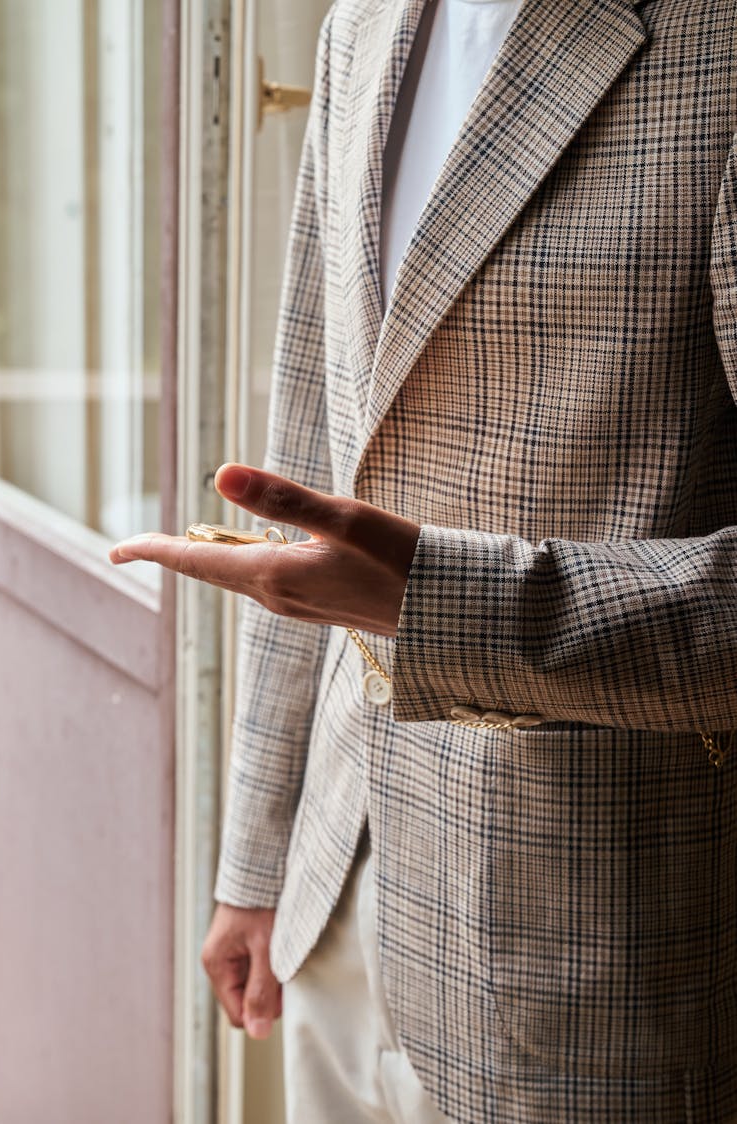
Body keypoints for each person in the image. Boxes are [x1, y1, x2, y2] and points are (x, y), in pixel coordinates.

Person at [111, 0, 737, 1118]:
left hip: (592, 955)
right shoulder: (363, 19)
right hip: (343, 906)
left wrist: (457, 605)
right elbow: (310, 438)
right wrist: (257, 860)